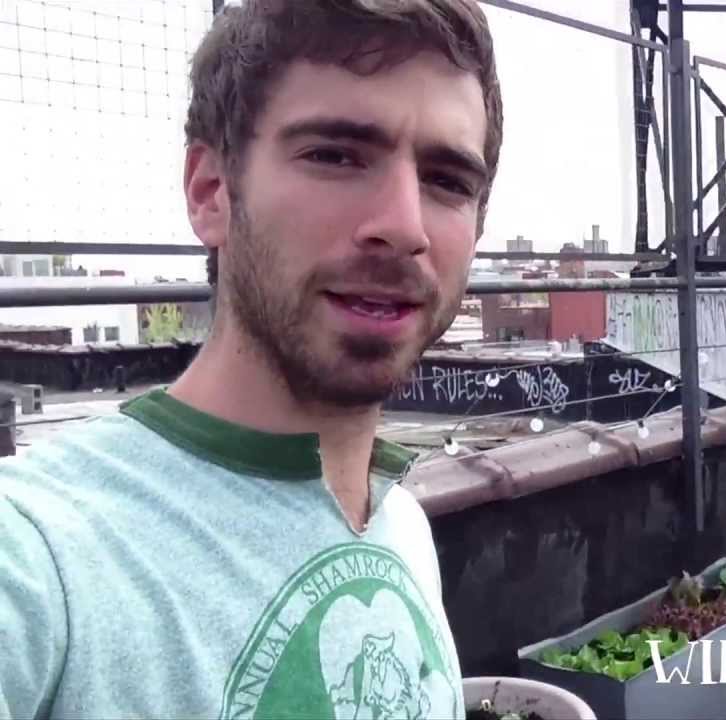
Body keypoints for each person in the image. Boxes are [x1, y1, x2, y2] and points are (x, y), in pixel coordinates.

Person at [0, 1, 502, 717]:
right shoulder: (40, 552)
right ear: (210, 193)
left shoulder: (401, 527)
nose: (403, 226)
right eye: (334, 155)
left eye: (449, 180)